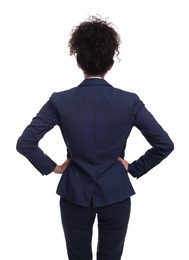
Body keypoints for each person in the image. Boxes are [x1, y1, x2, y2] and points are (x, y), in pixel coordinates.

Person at [16, 15, 174, 260]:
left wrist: (54, 168)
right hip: (116, 193)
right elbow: (164, 144)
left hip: (74, 194)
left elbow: (26, 142)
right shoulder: (129, 101)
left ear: (79, 61)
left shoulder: (60, 100)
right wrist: (133, 168)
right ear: (110, 63)